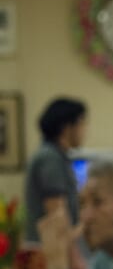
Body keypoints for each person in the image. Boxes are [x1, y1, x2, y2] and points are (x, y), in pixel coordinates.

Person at [23, 97, 87, 243]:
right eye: (81, 124)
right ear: (67, 127)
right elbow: (56, 213)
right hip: (49, 249)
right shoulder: (50, 158)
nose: (84, 131)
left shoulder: (57, 156)